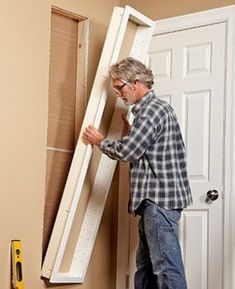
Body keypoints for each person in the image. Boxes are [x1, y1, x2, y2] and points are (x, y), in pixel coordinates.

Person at [83, 57, 193, 289]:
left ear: (136, 82)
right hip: (155, 202)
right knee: (146, 270)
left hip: (159, 202)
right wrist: (131, 133)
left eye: (119, 87)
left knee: (166, 270)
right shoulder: (152, 111)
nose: (118, 94)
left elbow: (130, 151)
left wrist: (100, 142)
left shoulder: (151, 111)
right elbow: (146, 149)